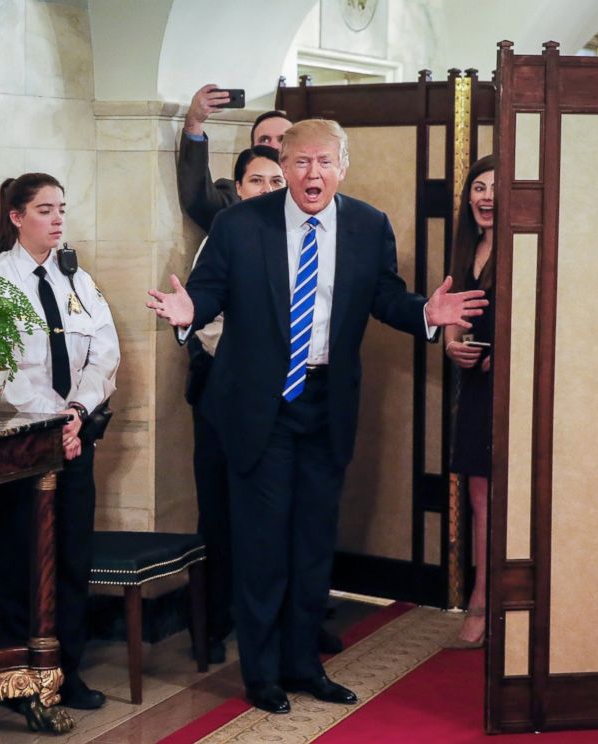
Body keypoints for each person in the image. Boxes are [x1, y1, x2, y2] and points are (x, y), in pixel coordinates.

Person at [148, 119, 488, 715]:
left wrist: (426, 313)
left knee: (311, 546)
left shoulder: (367, 224)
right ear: (284, 164)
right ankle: (262, 675)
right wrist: (186, 310)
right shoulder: (239, 224)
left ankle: (305, 666)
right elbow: (209, 292)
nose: (313, 175)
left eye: (324, 163)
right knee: (263, 547)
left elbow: (386, 296)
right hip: (260, 408)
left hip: (326, 404)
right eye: (301, 163)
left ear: (343, 166)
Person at [0, 173, 119, 710]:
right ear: (17, 217)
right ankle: (18, 674)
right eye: (44, 209)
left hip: (74, 437)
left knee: (70, 558)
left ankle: (66, 671)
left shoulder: (77, 279)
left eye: (61, 208)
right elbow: (7, 371)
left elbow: (103, 353)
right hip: (22, 445)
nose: (58, 219)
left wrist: (78, 412)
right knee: (21, 558)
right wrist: (51, 420)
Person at [187, 145, 285, 665]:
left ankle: (279, 623)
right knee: (221, 512)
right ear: (238, 188)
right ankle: (215, 624)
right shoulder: (225, 234)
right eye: (256, 181)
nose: (267, 190)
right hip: (227, 392)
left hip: (283, 398)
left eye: (276, 181)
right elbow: (203, 315)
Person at [445, 155, 495, 646]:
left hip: (521, 390)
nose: (485, 196)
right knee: (480, 499)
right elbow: (452, 322)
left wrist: (496, 359)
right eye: (478, 188)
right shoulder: (466, 250)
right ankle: (480, 602)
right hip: (475, 390)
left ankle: (512, 607)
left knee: (518, 500)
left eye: (495, 188)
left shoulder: (529, 248)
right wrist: (453, 346)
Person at [177, 83, 291, 233]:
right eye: (264, 140)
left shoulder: (311, 195)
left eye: (282, 140)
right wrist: (194, 123)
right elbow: (198, 197)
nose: (274, 147)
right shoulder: (234, 197)